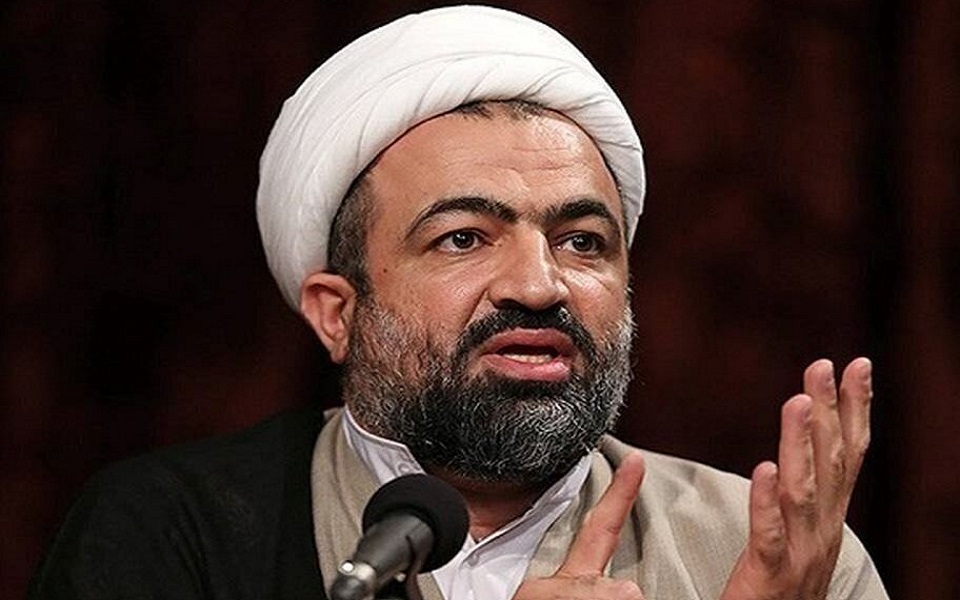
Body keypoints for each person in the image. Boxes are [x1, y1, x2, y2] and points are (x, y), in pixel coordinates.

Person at [30, 6, 888, 600]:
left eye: (583, 241)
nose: (539, 285)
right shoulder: (176, 532)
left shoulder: (768, 554)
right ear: (337, 312)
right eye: (464, 238)